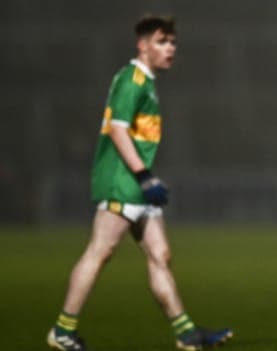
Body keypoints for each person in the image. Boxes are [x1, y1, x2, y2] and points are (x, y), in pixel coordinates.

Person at [46, 15, 233, 351]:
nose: (170, 48)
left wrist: (147, 175)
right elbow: (117, 130)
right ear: (143, 44)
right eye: (162, 41)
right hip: (123, 180)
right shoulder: (131, 80)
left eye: (173, 42)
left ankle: (187, 334)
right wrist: (144, 176)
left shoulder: (145, 81)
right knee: (100, 251)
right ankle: (62, 329)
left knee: (160, 253)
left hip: (136, 179)